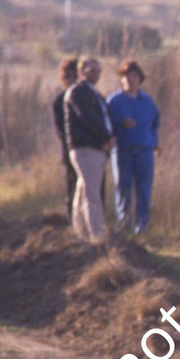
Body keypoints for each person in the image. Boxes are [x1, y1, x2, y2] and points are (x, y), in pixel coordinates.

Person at [62, 56, 114, 241]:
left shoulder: (93, 93)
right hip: (86, 148)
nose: (95, 74)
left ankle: (80, 231)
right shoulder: (79, 92)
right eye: (91, 70)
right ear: (81, 72)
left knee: (83, 189)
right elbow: (87, 118)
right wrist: (106, 138)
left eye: (98, 70)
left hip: (94, 147)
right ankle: (97, 234)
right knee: (93, 193)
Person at [106, 59, 160, 234]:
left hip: (144, 152)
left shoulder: (148, 101)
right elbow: (106, 126)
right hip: (123, 151)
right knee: (123, 189)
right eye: (126, 76)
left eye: (134, 76)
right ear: (121, 79)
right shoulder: (114, 101)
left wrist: (155, 144)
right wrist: (121, 125)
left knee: (144, 191)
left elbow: (155, 124)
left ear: (140, 79)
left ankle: (142, 228)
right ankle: (123, 226)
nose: (131, 79)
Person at [50, 56, 79, 220]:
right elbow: (60, 130)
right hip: (70, 150)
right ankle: (71, 218)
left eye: (75, 76)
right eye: (68, 76)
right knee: (72, 183)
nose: (72, 80)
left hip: (89, 150)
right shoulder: (59, 101)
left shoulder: (88, 97)